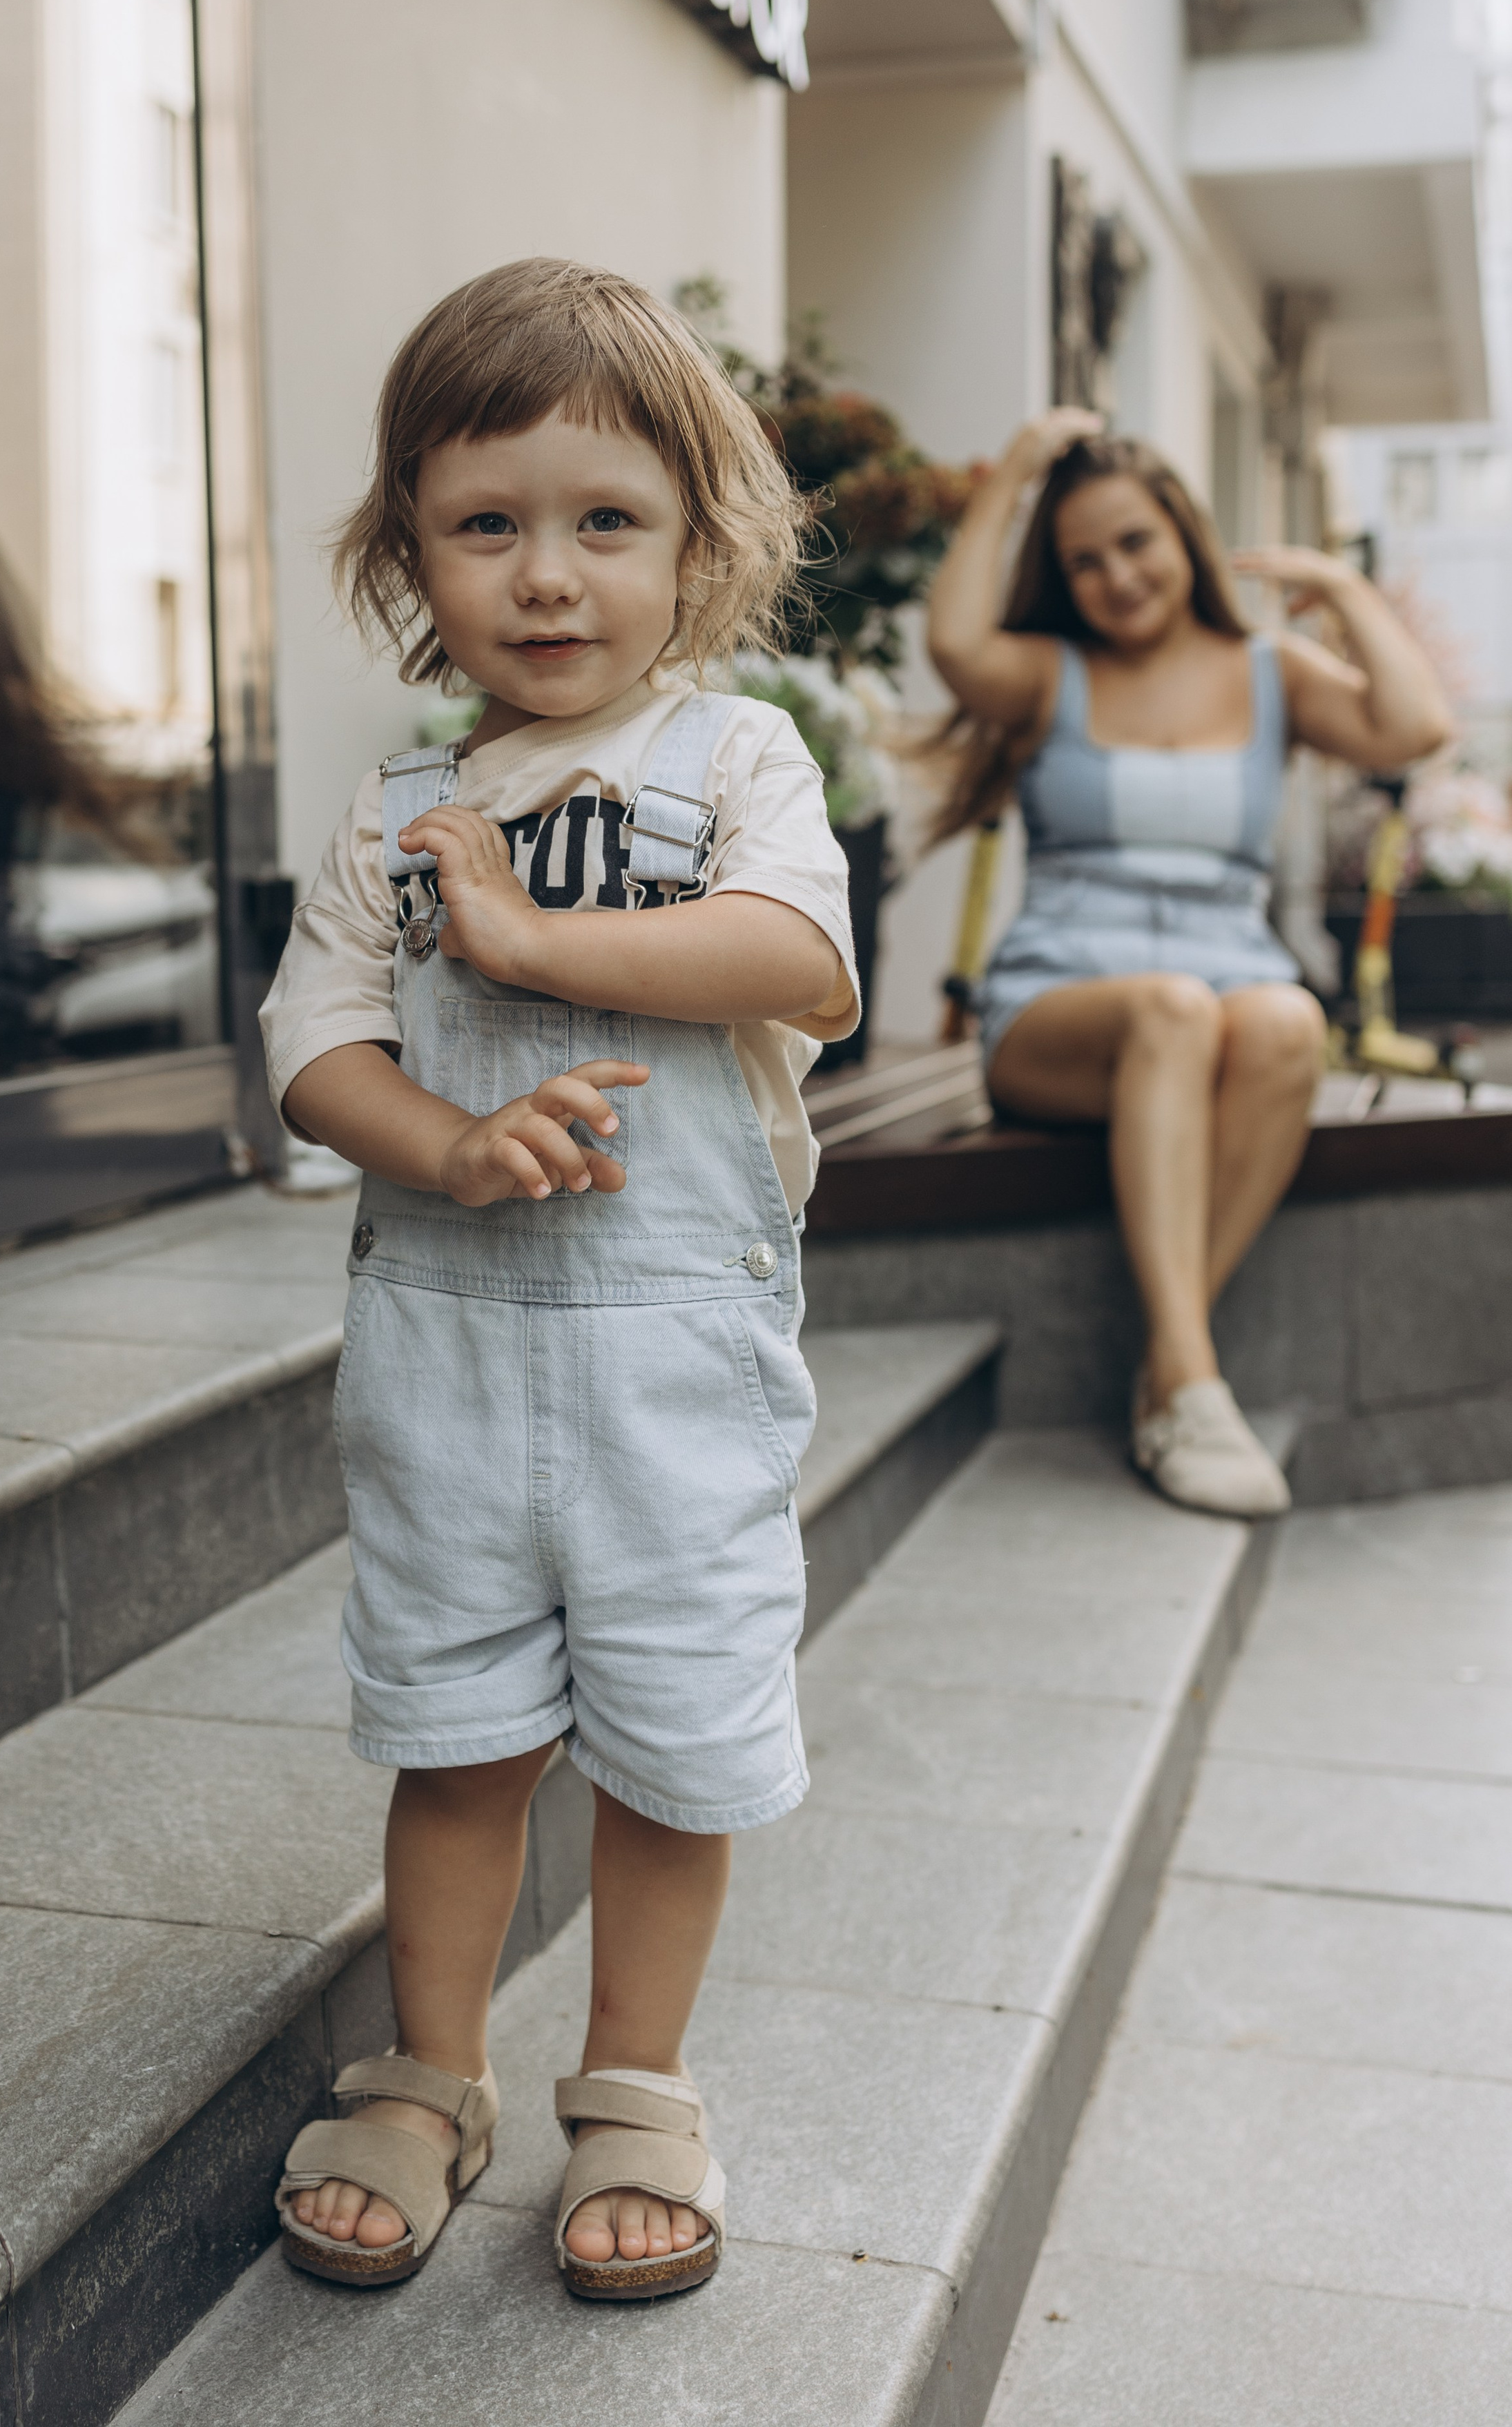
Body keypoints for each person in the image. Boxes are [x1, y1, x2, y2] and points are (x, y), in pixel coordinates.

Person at [259, 258, 858, 2300]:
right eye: (484, 523)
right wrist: (446, 1137)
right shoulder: (399, 814)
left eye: (605, 521)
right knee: (462, 1735)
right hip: (446, 1355)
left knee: (679, 1741)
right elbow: (315, 1050)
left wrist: (532, 951)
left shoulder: (738, 765)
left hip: (674, 1364)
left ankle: (636, 2078)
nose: (545, 575)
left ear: (697, 542)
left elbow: (795, 960)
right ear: (412, 547)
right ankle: (434, 2070)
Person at [927, 409, 1453, 1517]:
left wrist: (1345, 593)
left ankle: (1169, 1370)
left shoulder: (1270, 672)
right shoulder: (1047, 673)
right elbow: (955, 642)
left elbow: (1411, 728)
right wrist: (1018, 467)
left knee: (1287, 1022)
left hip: (1224, 994)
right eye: (1084, 559)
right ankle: (1193, 1382)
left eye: (1135, 543)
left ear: (1184, 535)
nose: (1116, 576)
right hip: (1060, 1013)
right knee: (1176, 1009)